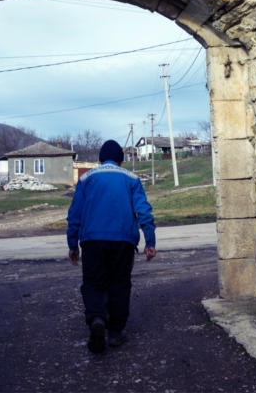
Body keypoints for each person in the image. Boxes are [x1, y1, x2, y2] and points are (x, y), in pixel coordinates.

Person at [67, 140, 156, 354]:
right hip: (123, 242)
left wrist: (73, 245)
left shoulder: (86, 178)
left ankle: (97, 318)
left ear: (100, 160)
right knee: (119, 284)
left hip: (92, 241)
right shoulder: (132, 179)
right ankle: (116, 332)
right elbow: (144, 212)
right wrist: (150, 242)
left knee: (93, 283)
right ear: (121, 161)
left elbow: (75, 215)